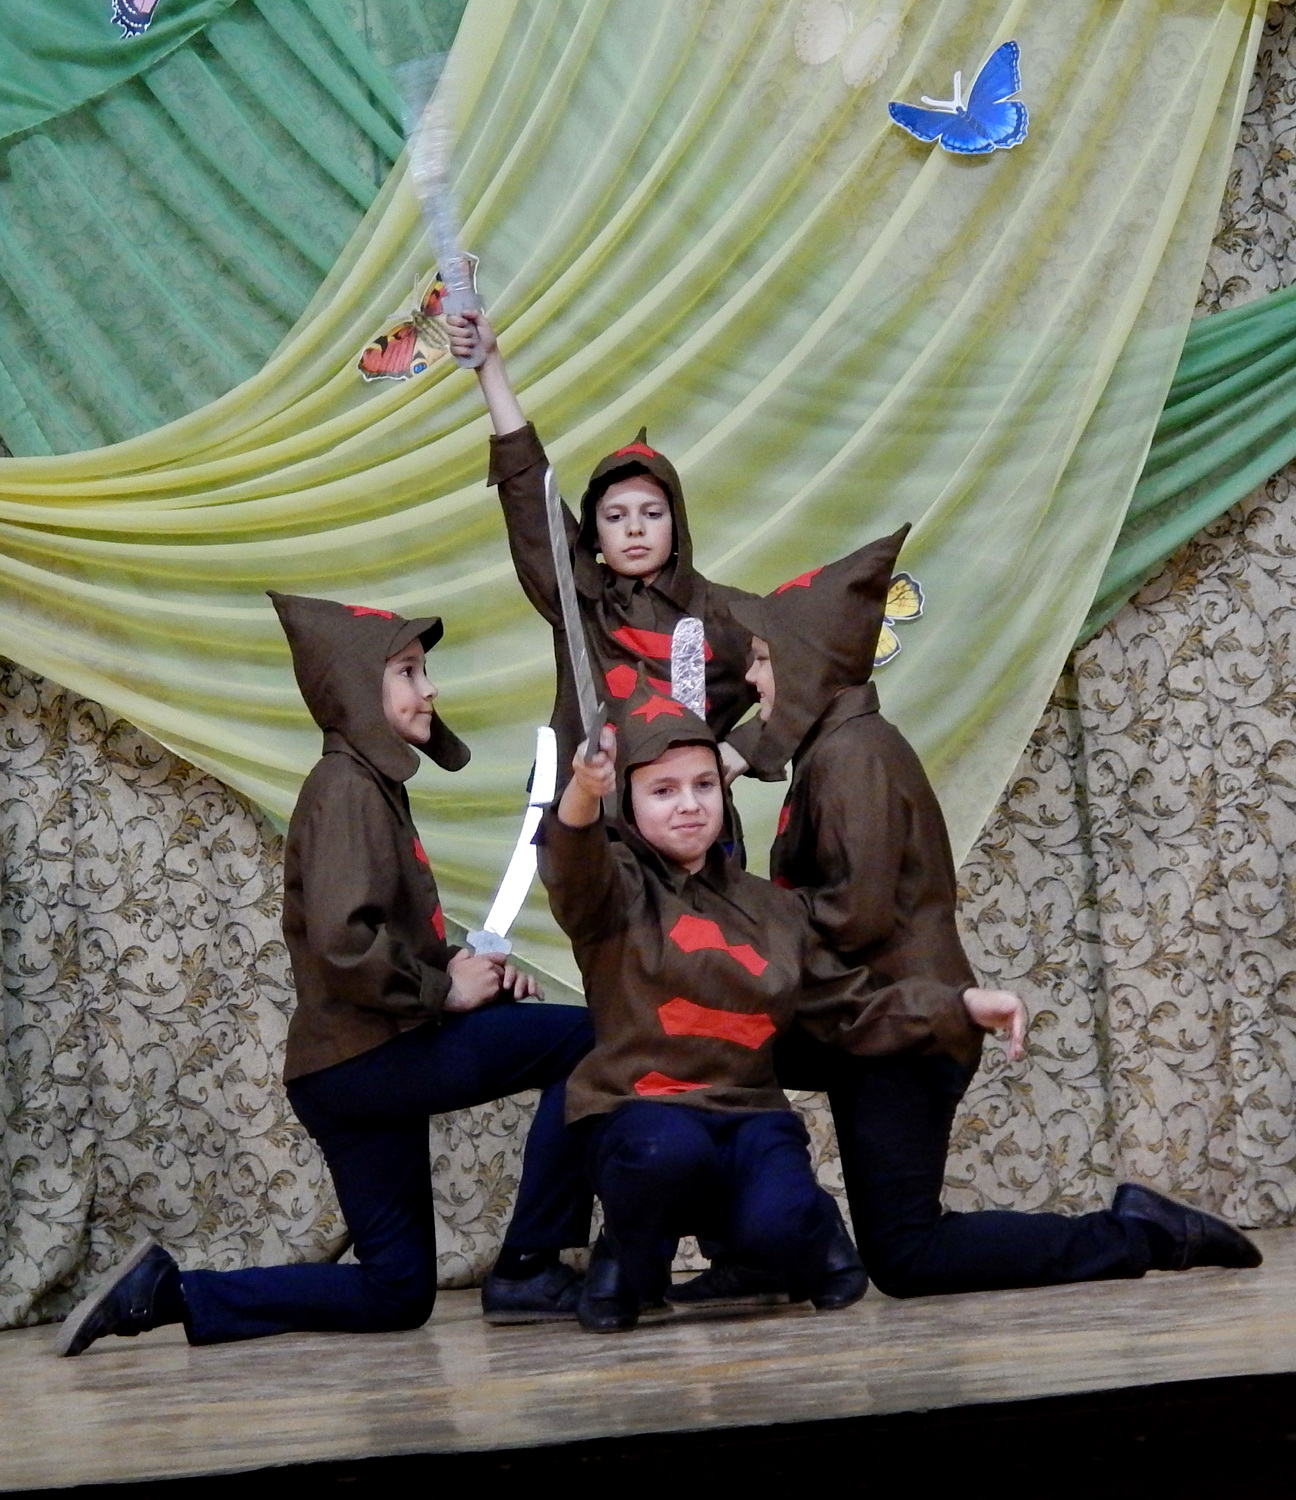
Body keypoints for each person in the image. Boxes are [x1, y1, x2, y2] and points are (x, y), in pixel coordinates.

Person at [673, 530, 1262, 1307]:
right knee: (705, 1042)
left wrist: (736, 908)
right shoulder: (831, 748)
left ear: (807, 662)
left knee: (910, 1255)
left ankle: (1143, 1233)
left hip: (903, 1033)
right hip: (861, 1022)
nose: (752, 677)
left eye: (762, 659)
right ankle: (766, 1247)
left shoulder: (854, 756)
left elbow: (852, 917)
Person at [57, 594, 594, 1355]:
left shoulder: (369, 785)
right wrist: (445, 991)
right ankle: (531, 1267)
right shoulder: (346, 787)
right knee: (591, 1039)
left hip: (339, 1072)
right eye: (408, 672)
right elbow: (345, 944)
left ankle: (169, 1294)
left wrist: (457, 968)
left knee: (396, 1292)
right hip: (370, 1061)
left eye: (424, 670)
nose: (429, 689)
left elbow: (371, 931)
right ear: (356, 688)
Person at [536, 673, 882, 1331]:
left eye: (703, 785)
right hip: (643, 1110)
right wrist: (583, 790)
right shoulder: (613, 892)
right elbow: (572, 861)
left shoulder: (773, 907)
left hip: (751, 1114)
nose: (689, 805)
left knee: (779, 1230)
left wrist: (957, 1003)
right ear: (628, 802)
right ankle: (628, 1257)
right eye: (662, 790)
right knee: (665, 1154)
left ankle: (807, 1224)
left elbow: (847, 1000)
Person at [448, 309, 763, 782]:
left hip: (691, 815)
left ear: (677, 524)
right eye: (615, 517)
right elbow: (530, 494)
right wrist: (489, 365)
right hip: (590, 815)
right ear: (594, 533)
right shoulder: (580, 602)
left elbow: (820, 666)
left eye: (652, 513)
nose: (634, 529)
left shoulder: (729, 612)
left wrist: (742, 749)